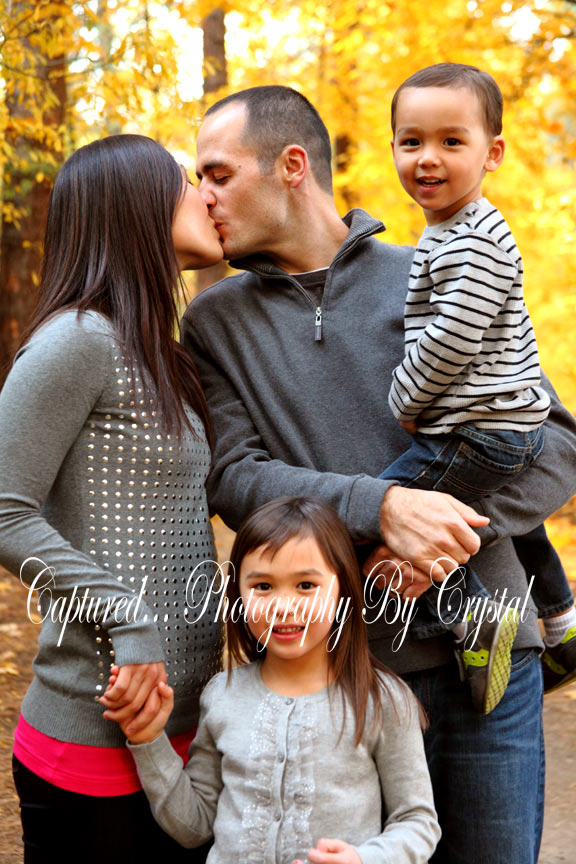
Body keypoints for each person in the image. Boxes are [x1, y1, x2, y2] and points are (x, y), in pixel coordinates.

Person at [182, 84, 576, 863]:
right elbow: (235, 479)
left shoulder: (439, 267)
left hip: (487, 659)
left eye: (218, 174)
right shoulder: (214, 323)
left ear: (292, 165)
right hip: (341, 681)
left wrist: (445, 534)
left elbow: (554, 444)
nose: (204, 197)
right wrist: (384, 507)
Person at [0, 134, 224, 863]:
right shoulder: (78, 340)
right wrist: (127, 616)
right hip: (92, 742)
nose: (207, 196)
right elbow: (4, 509)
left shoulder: (163, 354)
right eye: (187, 182)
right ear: (137, 207)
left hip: (186, 733)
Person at [374, 63, 576, 713]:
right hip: (494, 425)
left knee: (392, 516)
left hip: (480, 431)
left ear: (493, 153)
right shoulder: (452, 229)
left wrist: (406, 400)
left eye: (451, 141)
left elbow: (452, 340)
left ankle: (479, 619)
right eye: (411, 141)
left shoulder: (474, 240)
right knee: (481, 511)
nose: (427, 158)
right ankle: (561, 615)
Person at [105, 496, 441, 864]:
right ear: (238, 594)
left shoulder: (383, 700)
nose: (283, 605)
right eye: (263, 586)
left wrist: (364, 859)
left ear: (344, 589)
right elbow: (194, 827)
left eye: (306, 585)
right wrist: (149, 739)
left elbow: (418, 822)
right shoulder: (222, 695)